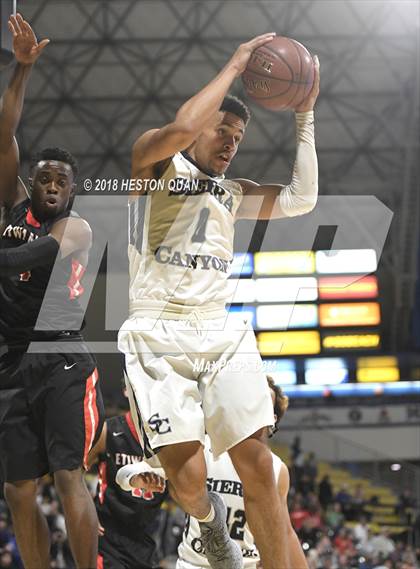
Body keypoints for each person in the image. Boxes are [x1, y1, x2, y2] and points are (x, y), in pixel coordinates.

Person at [118, 31, 320, 569]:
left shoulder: (233, 191)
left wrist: (305, 116)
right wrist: (235, 66)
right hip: (158, 330)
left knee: (261, 473)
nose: (231, 142)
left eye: (238, 136)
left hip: (218, 329)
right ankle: (211, 531)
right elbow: (182, 127)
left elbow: (302, 199)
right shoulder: (154, 162)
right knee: (188, 484)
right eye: (223, 130)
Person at [0, 14, 104, 569]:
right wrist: (21, 70)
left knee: (68, 477)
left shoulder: (76, 229)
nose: (53, 186)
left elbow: (27, 257)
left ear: (72, 191)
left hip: (62, 356)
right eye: (46, 177)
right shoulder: (14, 204)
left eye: (63, 181)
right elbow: (4, 134)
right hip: (13, 362)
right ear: (33, 180)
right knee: (18, 489)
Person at [117, 377, 309, 569]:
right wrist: (134, 479)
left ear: (272, 419)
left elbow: (285, 532)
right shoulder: (202, 447)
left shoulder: (277, 469)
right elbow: (126, 473)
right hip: (194, 565)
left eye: (263, 400)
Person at [87, 404, 167, 569]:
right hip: (108, 535)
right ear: (127, 390)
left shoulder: (167, 438)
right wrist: (86, 512)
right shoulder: (108, 429)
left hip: (144, 540)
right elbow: (74, 472)